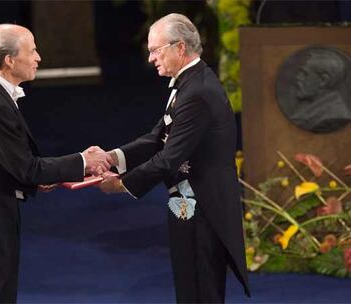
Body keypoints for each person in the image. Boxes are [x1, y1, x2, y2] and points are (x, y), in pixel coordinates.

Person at [0, 24, 111, 303]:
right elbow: (27, 168)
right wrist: (83, 161)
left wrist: (36, 177)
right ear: (10, 60)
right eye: (32, 51)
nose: (38, 57)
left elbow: (12, 164)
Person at [99, 13, 250, 303]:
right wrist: (111, 158)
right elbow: (158, 136)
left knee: (200, 289)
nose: (151, 58)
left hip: (204, 208)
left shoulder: (197, 92)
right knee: (189, 285)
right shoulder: (189, 83)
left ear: (179, 48)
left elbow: (168, 158)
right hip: (187, 203)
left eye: (156, 50)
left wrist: (121, 184)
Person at [292, 49, 351, 133]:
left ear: (323, 81)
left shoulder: (334, 118)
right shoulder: (314, 110)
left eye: (305, 74)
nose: (298, 78)